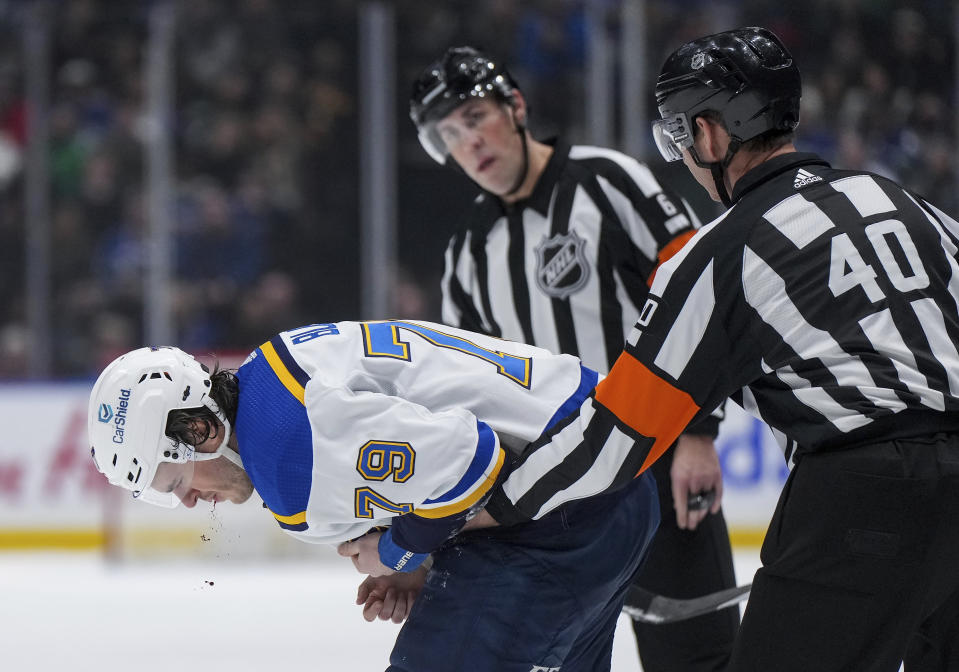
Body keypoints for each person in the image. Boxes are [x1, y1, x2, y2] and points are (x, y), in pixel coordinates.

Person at [481, 26, 959, 671]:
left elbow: (616, 435)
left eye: (679, 135)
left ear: (709, 133)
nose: (680, 156)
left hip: (860, 498)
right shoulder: (906, 202)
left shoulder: (719, 253)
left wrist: (489, 507)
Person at [409, 45, 738, 670]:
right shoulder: (467, 253)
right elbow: (464, 387)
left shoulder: (607, 182)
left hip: (656, 462)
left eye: (475, 117)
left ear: (516, 107)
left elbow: (695, 298)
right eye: (449, 135)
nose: (468, 142)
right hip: (550, 494)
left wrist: (699, 434)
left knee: (698, 656)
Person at [87, 320, 659, 672]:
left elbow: (471, 456)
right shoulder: (271, 365)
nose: (190, 502)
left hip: (576, 508)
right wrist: (417, 558)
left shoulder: (292, 460)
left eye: (176, 481)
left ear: (199, 430)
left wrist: (397, 553)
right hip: (601, 473)